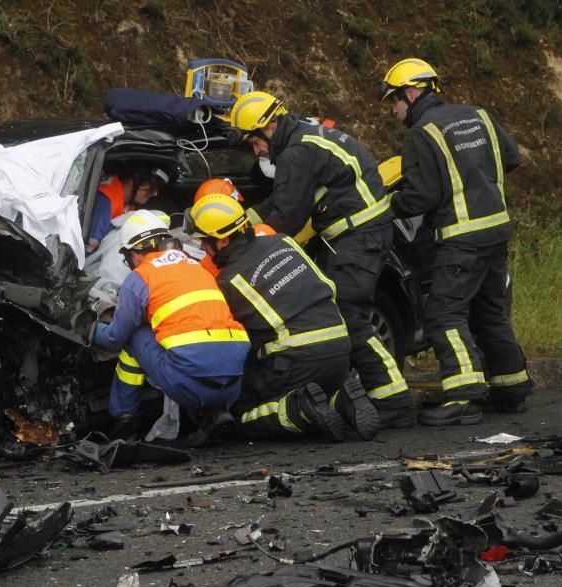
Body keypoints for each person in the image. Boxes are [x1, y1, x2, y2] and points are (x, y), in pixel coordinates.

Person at [226, 91, 413, 428]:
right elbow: (280, 202)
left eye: (254, 142)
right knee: (347, 314)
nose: (256, 152)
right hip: (363, 233)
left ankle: (393, 400)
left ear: (268, 126)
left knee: (350, 317)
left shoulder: (296, 154)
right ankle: (367, 394)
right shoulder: (307, 134)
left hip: (357, 238)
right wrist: (242, 220)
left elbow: (286, 216)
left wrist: (243, 243)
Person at [379, 58, 532, 425]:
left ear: (412, 92)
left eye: (395, 102)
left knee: (443, 315)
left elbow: (421, 197)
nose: (394, 111)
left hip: (461, 237)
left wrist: (385, 207)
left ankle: (464, 396)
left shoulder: (421, 135)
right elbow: (510, 158)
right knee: (489, 312)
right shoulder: (478, 115)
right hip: (496, 230)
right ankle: (512, 389)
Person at [188, 193, 379, 441]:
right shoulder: (283, 242)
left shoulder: (228, 281)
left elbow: (239, 341)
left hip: (297, 361)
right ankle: (340, 399)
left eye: (205, 241)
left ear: (222, 241)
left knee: (238, 413)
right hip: (341, 351)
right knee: (315, 386)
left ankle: (298, 410)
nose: (203, 248)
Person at [91, 210, 251, 443]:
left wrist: (92, 330)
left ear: (135, 253)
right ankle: (211, 414)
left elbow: (115, 338)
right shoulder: (197, 266)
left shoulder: (140, 277)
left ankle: (125, 418)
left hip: (188, 384)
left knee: (134, 336)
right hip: (234, 381)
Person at [87, 167, 169, 251]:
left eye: (157, 189)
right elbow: (90, 247)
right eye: (152, 187)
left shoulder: (128, 200)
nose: (155, 193)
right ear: (131, 181)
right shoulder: (105, 202)